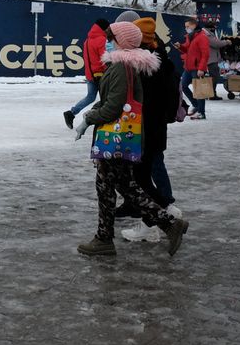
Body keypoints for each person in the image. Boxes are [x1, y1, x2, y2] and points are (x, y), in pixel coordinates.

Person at [76, 21, 190, 258]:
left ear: (121, 42)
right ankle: (110, 236)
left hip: (116, 138)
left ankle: (107, 238)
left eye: (111, 38)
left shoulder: (120, 67)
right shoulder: (126, 65)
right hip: (123, 138)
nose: (107, 42)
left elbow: (113, 106)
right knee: (120, 186)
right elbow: (112, 99)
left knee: (112, 187)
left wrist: (89, 118)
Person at [116, 16, 182, 222]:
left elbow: (143, 98)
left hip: (145, 127)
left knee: (145, 173)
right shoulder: (159, 58)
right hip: (152, 126)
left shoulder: (146, 63)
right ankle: (150, 209)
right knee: (143, 172)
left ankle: (162, 211)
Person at [64, 18, 110, 129]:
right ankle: (103, 119)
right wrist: (109, 71)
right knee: (107, 99)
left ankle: (71, 113)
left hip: (90, 75)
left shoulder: (87, 40)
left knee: (90, 97)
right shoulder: (102, 40)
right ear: (104, 28)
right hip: (101, 75)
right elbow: (104, 59)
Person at [174, 17, 210, 119]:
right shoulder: (191, 36)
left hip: (197, 68)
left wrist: (201, 68)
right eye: (185, 27)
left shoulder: (202, 37)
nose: (186, 28)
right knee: (183, 86)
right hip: (189, 67)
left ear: (194, 25)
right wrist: (180, 46)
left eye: (188, 26)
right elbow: (187, 49)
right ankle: (197, 106)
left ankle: (201, 112)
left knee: (199, 90)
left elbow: (205, 54)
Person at [205, 22, 228, 100]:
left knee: (213, 77)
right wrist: (226, 42)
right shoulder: (207, 34)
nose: (215, 28)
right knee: (214, 77)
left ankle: (211, 93)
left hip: (212, 58)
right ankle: (211, 94)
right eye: (214, 27)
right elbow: (216, 44)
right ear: (210, 27)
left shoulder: (209, 33)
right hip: (211, 59)